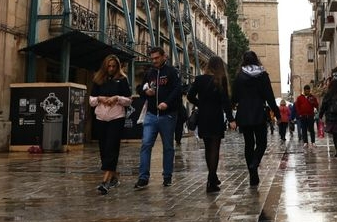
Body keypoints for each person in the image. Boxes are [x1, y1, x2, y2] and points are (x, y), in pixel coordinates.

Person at [135, 46, 182, 189]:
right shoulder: (149, 73)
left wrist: (167, 103)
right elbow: (139, 88)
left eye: (156, 58)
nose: (154, 61)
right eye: (152, 58)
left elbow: (177, 90)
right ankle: (143, 177)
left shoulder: (171, 72)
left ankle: (167, 176)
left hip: (167, 115)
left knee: (168, 146)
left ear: (163, 57)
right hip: (151, 115)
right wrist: (146, 92)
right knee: (146, 144)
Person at [231, 50, 279, 187]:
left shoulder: (240, 76)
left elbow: (234, 97)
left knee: (249, 144)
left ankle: (253, 175)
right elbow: (269, 96)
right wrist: (277, 113)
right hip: (259, 112)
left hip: (244, 113)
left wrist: (231, 111)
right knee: (262, 142)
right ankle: (255, 163)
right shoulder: (262, 74)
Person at [187, 56, 234, 193]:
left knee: (208, 149)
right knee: (215, 149)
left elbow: (190, 96)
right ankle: (211, 181)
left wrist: (201, 104)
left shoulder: (199, 79)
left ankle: (212, 178)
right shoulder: (220, 80)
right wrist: (231, 119)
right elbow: (225, 101)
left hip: (203, 117)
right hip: (216, 116)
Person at [89, 55, 132, 194]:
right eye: (109, 66)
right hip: (101, 118)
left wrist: (117, 98)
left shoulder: (122, 79)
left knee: (112, 147)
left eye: (114, 66)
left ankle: (105, 182)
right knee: (103, 148)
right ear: (105, 66)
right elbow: (91, 100)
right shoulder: (98, 79)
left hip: (116, 117)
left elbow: (129, 100)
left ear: (117, 66)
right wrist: (100, 99)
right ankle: (114, 177)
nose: (111, 68)